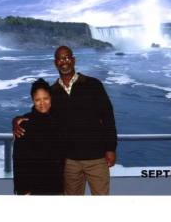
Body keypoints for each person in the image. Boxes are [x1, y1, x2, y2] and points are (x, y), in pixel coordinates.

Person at [13, 46, 117, 195]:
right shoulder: (53, 91)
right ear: (56, 63)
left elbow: (108, 117)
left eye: (67, 57)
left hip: (96, 157)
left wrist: (111, 148)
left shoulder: (93, 85)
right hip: (69, 162)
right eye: (60, 59)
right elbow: (40, 109)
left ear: (73, 60)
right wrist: (16, 120)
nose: (64, 62)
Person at [12, 78, 65, 195]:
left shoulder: (59, 120)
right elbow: (18, 160)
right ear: (32, 100)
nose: (42, 103)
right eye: (37, 100)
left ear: (51, 97)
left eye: (45, 98)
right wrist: (22, 190)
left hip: (57, 185)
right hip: (33, 187)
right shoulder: (24, 123)